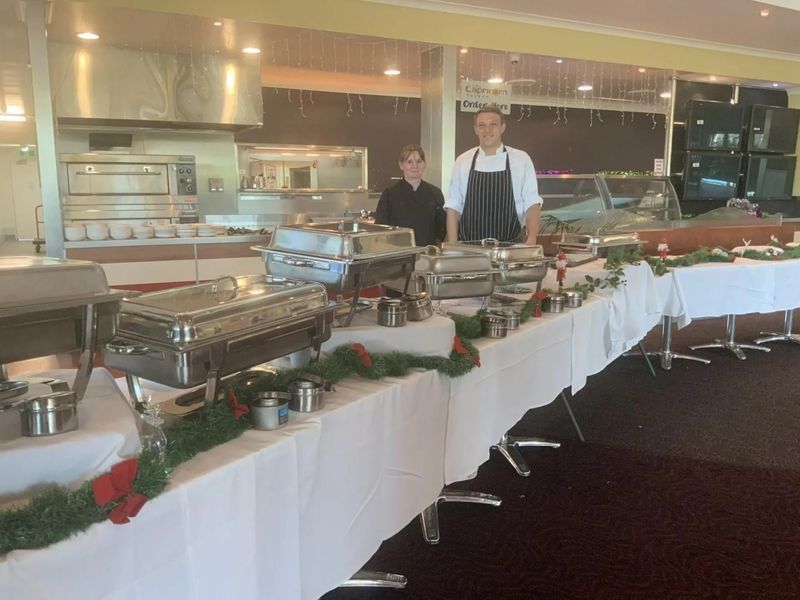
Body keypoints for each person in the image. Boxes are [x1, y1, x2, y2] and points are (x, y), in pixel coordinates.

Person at [445, 104, 542, 244]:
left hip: (510, 247)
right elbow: (453, 207)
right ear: (475, 129)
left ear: (502, 127)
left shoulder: (521, 159)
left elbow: (532, 203)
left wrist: (531, 239)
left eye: (493, 124)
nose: (487, 130)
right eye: (482, 125)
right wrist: (453, 245)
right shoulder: (463, 161)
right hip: (470, 249)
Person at [375, 144, 446, 247]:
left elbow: (441, 228)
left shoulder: (435, 193)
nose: (415, 166)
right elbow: (380, 228)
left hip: (428, 255)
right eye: (409, 162)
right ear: (401, 165)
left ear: (424, 164)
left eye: (419, 161)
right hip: (398, 255)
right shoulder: (389, 194)